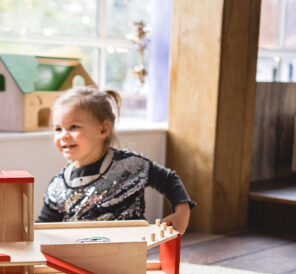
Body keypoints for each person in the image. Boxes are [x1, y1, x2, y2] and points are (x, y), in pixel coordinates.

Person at [37, 86, 194, 234]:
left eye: (73, 127)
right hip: (78, 258)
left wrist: (182, 212)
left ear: (103, 129)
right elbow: (43, 226)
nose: (63, 135)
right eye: (58, 129)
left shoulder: (130, 166)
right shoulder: (58, 186)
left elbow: (168, 179)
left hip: (129, 255)